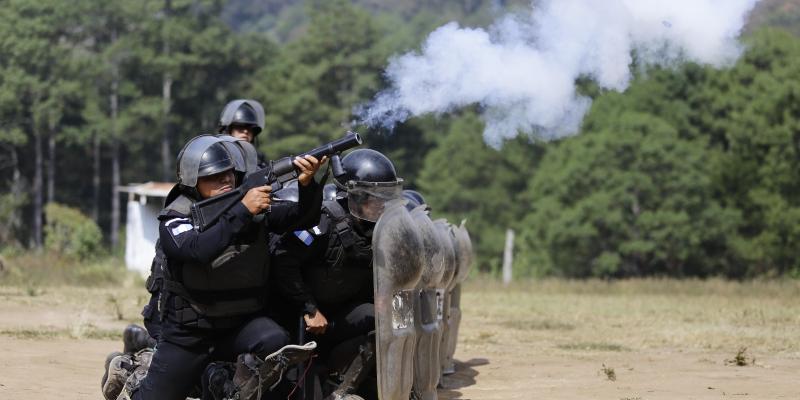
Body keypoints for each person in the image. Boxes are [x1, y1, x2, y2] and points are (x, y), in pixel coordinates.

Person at [117, 135, 325, 400]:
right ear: (193, 181)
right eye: (214, 177)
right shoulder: (176, 216)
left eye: (228, 174)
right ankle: (132, 373)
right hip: (189, 334)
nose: (225, 181)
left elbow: (301, 218)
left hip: (238, 325)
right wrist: (242, 211)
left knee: (275, 340)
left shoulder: (253, 206)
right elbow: (195, 248)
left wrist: (307, 184)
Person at [270, 149, 403, 399]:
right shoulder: (323, 221)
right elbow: (283, 261)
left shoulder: (383, 229)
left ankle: (343, 390)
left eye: (386, 196)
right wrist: (309, 308)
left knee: (384, 321)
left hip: (341, 316)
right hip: (304, 322)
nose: (382, 204)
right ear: (355, 195)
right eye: (375, 197)